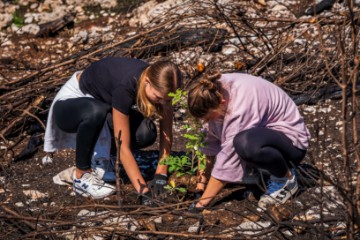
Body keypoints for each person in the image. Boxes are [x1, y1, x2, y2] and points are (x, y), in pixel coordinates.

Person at [43, 57, 182, 200]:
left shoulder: (163, 84)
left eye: (168, 100)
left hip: (101, 105)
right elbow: (122, 144)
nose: (163, 103)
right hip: (69, 106)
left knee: (145, 132)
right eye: (158, 98)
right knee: (96, 111)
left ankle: (104, 160)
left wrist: (161, 174)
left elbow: (166, 132)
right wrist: (143, 190)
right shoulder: (126, 85)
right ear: (147, 82)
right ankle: (81, 176)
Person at [187, 71, 310, 210]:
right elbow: (208, 143)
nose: (206, 121)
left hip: (291, 143)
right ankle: (259, 172)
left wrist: (201, 204)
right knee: (232, 136)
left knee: (244, 143)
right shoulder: (213, 89)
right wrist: (201, 185)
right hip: (265, 135)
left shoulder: (238, 109)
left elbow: (228, 159)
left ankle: (285, 179)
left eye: (208, 117)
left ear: (221, 102)